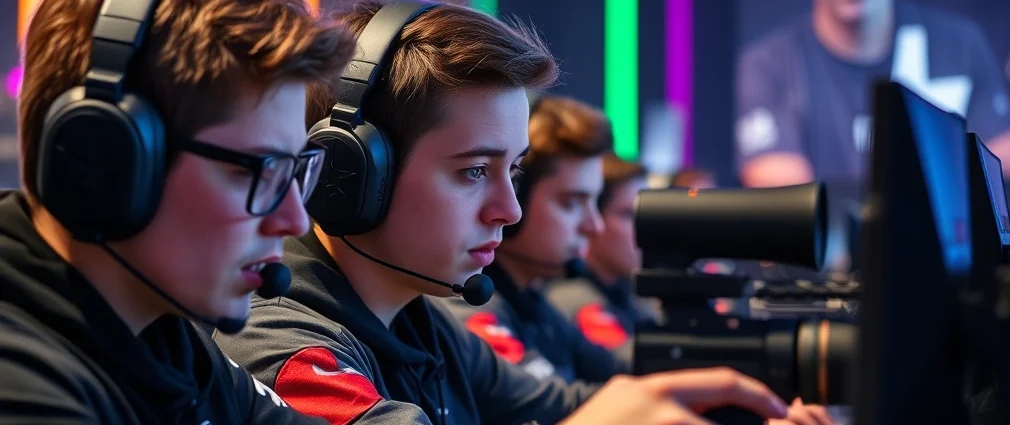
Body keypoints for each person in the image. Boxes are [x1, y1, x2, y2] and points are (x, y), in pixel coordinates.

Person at [213, 2, 823, 425]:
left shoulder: (423, 324)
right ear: (355, 177)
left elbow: (568, 403)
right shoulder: (287, 346)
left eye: (515, 171)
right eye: (474, 171)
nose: (508, 209)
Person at [0, 0, 366, 423]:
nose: (295, 220)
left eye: (295, 171)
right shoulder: (20, 383)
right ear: (104, 158)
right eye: (258, 171)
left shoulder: (167, 337)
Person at [438, 94, 630, 385]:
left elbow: (615, 368)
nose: (594, 225)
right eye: (572, 203)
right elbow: (553, 402)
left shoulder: (536, 304)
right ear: (519, 198)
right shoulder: (470, 306)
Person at [736, 0, 1010, 190]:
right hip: (830, 278)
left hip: (949, 272)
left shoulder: (960, 46)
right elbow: (788, 207)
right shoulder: (768, 65)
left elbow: (1006, 179)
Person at [542, 153, 661, 367]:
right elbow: (635, 365)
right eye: (629, 215)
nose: (646, 229)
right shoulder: (571, 297)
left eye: (648, 215)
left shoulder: (627, 291)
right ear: (592, 219)